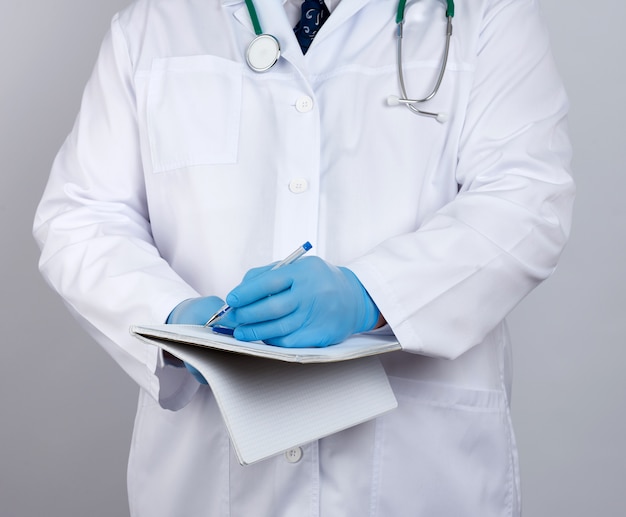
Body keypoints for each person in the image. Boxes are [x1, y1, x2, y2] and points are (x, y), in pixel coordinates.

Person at [33, 0, 575, 515]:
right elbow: (81, 214)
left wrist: (373, 295)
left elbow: (528, 198)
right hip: (207, 477)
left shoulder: (485, 14)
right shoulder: (156, 23)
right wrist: (175, 321)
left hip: (418, 474)